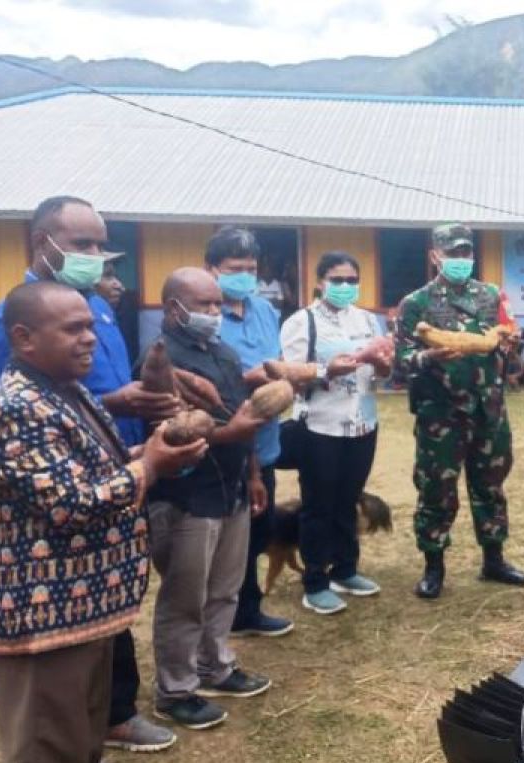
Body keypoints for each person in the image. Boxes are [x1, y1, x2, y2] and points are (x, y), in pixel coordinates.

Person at [0, 281, 205, 763]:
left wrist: (151, 452)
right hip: (43, 617)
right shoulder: (19, 406)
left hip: (82, 610)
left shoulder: (66, 390)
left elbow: (96, 471)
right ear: (24, 338)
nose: (89, 339)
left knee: (77, 750)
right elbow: (70, 504)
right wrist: (151, 466)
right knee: (45, 762)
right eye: (72, 329)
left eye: (90, 327)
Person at [144, 267, 272, 728]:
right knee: (185, 597)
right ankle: (175, 690)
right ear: (173, 308)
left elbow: (247, 415)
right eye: (205, 305)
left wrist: (253, 473)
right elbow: (172, 431)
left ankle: (215, 666)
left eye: (218, 304)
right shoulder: (159, 361)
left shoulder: (223, 352)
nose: (216, 313)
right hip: (186, 498)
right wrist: (228, 433)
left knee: (224, 590)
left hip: (232, 487)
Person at [395, 223, 524, 599]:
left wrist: (510, 342)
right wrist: (429, 355)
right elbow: (401, 360)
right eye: (452, 253)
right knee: (437, 489)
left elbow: (508, 346)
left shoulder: (491, 296)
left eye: (466, 253)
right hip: (441, 414)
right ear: (435, 256)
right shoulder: (416, 304)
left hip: (488, 408)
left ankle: (494, 559)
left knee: (491, 486)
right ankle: (434, 567)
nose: (460, 259)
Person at [281, 251, 390, 614]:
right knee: (318, 505)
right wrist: (328, 370)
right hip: (320, 426)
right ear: (320, 282)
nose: (345, 286)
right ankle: (315, 581)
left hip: (362, 424)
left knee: (348, 499)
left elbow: (382, 375)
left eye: (352, 280)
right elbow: (292, 373)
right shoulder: (303, 322)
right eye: (337, 279)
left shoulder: (371, 322)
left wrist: (383, 365)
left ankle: (346, 569)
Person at [204, 228, 295, 638]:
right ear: (212, 270)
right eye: (234, 269)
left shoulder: (264, 310)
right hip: (225, 443)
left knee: (259, 532)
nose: (244, 276)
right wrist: (251, 378)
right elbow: (203, 380)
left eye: (251, 269)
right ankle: (221, 616)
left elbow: (276, 362)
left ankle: (248, 610)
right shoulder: (203, 314)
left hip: (266, 442)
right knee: (224, 539)